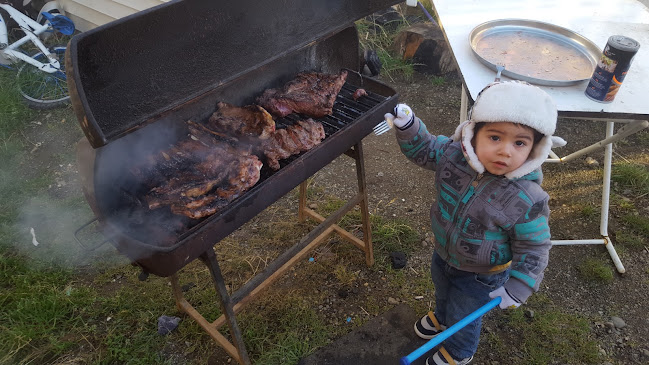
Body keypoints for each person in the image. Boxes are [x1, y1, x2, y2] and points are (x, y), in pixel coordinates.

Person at [384, 81, 566, 365]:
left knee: (466, 315)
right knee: (442, 289)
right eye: (495, 137)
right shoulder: (453, 155)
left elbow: (535, 246)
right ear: (474, 133)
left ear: (534, 149)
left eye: (519, 142)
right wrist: (409, 126)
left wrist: (519, 285)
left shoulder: (527, 198)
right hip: (444, 252)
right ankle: (442, 318)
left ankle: (460, 352)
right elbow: (426, 148)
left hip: (483, 273)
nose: (506, 151)